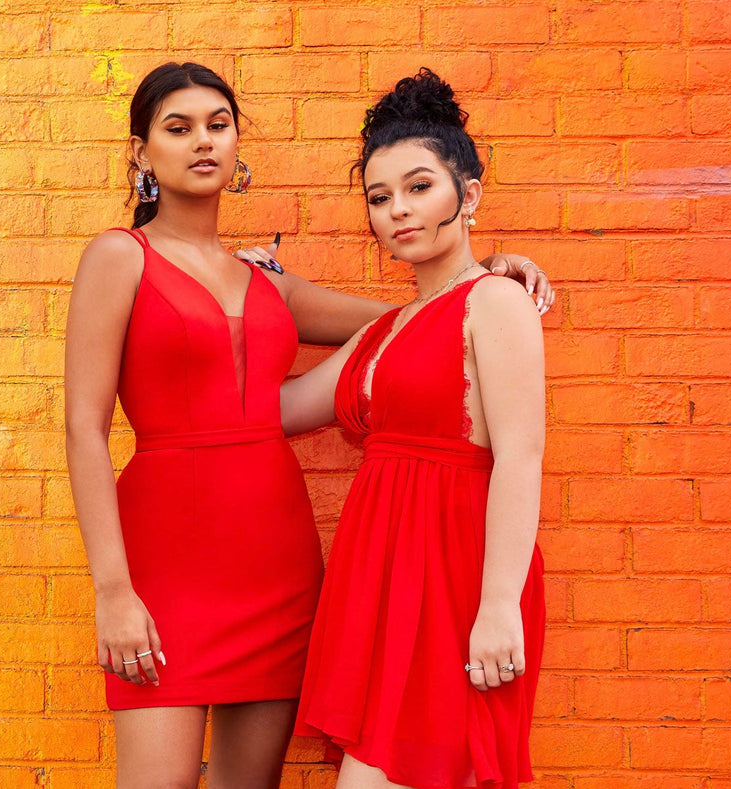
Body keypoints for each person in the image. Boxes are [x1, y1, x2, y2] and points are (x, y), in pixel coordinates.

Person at [63, 62, 550, 789]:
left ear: (237, 144)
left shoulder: (268, 282)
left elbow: (416, 320)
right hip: (163, 559)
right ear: (142, 154)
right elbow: (82, 428)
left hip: (276, 567)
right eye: (179, 127)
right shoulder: (117, 256)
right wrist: (113, 589)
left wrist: (490, 272)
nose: (203, 141)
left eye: (218, 124)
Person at [281, 69, 547, 789]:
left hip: (456, 582)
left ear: (470, 193)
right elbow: (275, 411)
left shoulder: (496, 301)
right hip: (380, 584)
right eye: (379, 196)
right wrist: (235, 292)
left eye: (419, 186)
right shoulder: (384, 332)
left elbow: (521, 459)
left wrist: (497, 608)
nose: (398, 209)